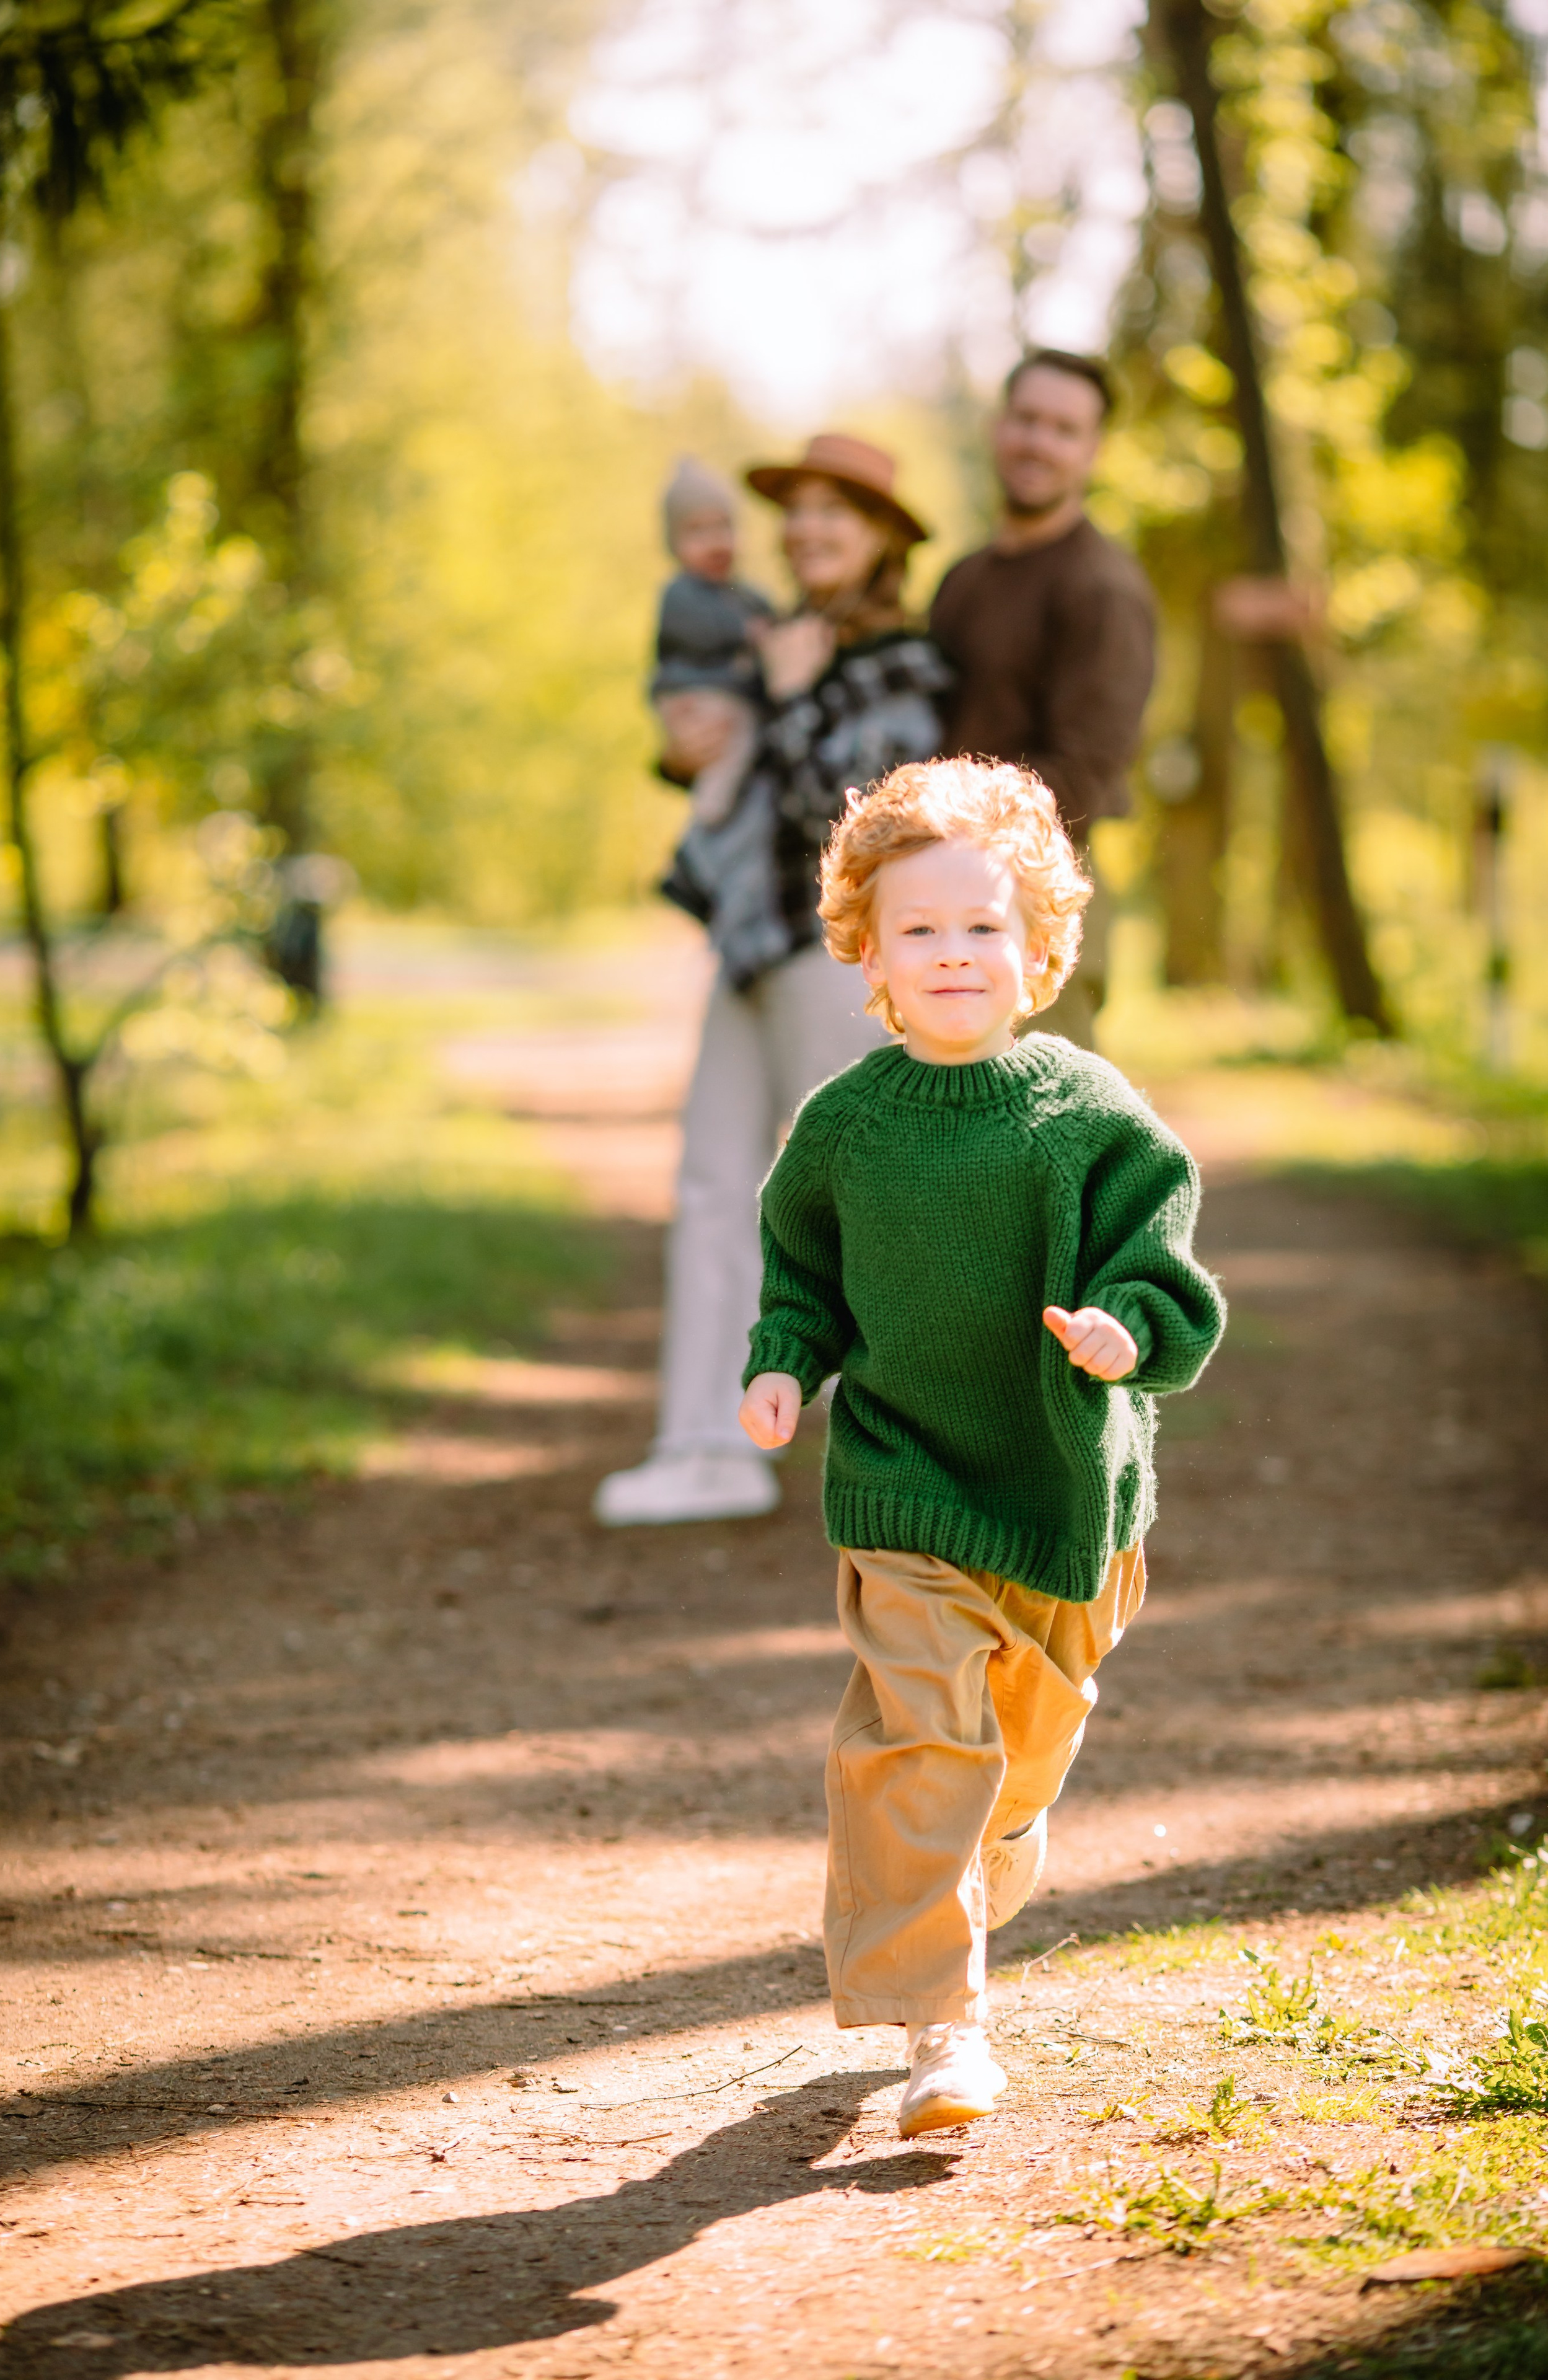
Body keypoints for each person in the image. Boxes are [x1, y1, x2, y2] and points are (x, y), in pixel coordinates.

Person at [737, 757, 1224, 2135]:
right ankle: (943, 2031)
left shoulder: (1086, 1115)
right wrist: (783, 1367)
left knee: (1011, 1761)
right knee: (914, 1747)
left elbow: (1160, 1266)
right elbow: (799, 1278)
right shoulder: (843, 1128)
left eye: (982, 927)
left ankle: (994, 1842)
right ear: (869, 954)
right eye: (919, 931)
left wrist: (1128, 1332)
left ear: (1039, 947)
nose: (953, 955)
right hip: (902, 1485)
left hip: (1067, 1500)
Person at [595, 434, 951, 1528]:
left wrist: (792, 701)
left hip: (832, 957)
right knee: (712, 1188)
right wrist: (692, 739)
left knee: (859, 1200)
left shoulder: (905, 664)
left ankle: (906, 1460)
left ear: (883, 536)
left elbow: (859, 824)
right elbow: (718, 754)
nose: (805, 530)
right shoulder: (773, 639)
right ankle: (706, 1446)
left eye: (832, 512)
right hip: (748, 943)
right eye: (794, 511)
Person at [930, 351, 1156, 1047]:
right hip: (940, 886)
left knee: (1038, 1132)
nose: (1038, 441)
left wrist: (945, 816)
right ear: (999, 428)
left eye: (1063, 429)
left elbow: (1084, 773)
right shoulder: (963, 579)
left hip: (1039, 892)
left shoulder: (1103, 590)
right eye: (1026, 419)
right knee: (944, 1138)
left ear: (1092, 451)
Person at [650, 457, 774, 831]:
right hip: (692, 688)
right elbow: (698, 632)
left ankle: (722, 810)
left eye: (723, 527)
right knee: (738, 737)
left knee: (741, 734)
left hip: (722, 690)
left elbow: (765, 612)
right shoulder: (681, 593)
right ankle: (713, 811)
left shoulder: (741, 593)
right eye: (697, 532)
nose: (715, 542)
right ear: (675, 544)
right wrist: (747, 634)